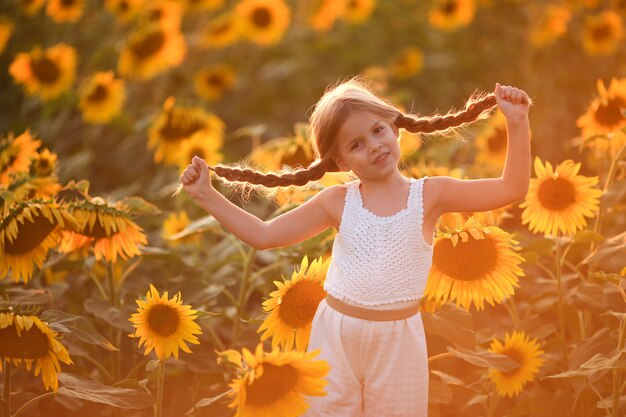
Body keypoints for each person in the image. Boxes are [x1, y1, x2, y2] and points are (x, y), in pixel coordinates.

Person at [179, 77, 531, 417]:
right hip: (335, 333)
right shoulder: (337, 201)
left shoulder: (430, 195)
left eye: (377, 130)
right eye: (356, 144)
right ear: (341, 162)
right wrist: (207, 196)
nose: (374, 145)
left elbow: (510, 189)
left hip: (397, 339)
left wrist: (517, 123)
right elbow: (265, 234)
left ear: (395, 127)